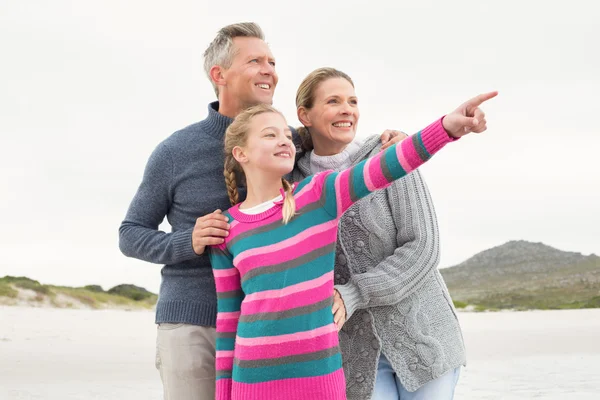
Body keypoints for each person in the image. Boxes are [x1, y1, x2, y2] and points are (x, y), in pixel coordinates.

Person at [118, 22, 402, 400]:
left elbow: (335, 145)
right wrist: (190, 240)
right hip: (194, 323)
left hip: (272, 333)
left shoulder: (287, 138)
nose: (270, 70)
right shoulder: (175, 151)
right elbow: (130, 233)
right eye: (255, 61)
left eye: (272, 61)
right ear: (219, 75)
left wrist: (384, 143)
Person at [210, 91, 496, 400]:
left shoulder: (318, 195)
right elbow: (228, 325)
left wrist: (446, 128)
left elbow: (387, 166)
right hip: (251, 382)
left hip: (321, 380)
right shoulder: (227, 230)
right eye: (270, 135)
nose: (284, 140)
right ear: (241, 154)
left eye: (286, 134)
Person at [292, 67, 468, 400]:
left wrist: (352, 293)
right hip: (353, 355)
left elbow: (423, 248)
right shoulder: (292, 183)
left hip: (424, 337)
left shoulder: (388, 157)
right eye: (333, 101)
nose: (348, 109)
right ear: (305, 115)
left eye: (353, 101)